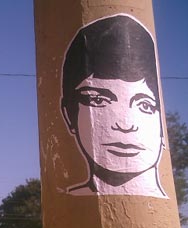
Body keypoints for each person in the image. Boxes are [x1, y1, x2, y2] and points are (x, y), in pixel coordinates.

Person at [61, 14, 166, 197]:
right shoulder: (66, 203)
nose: (125, 126)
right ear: (69, 115)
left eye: (145, 105)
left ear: (161, 122)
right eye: (99, 100)